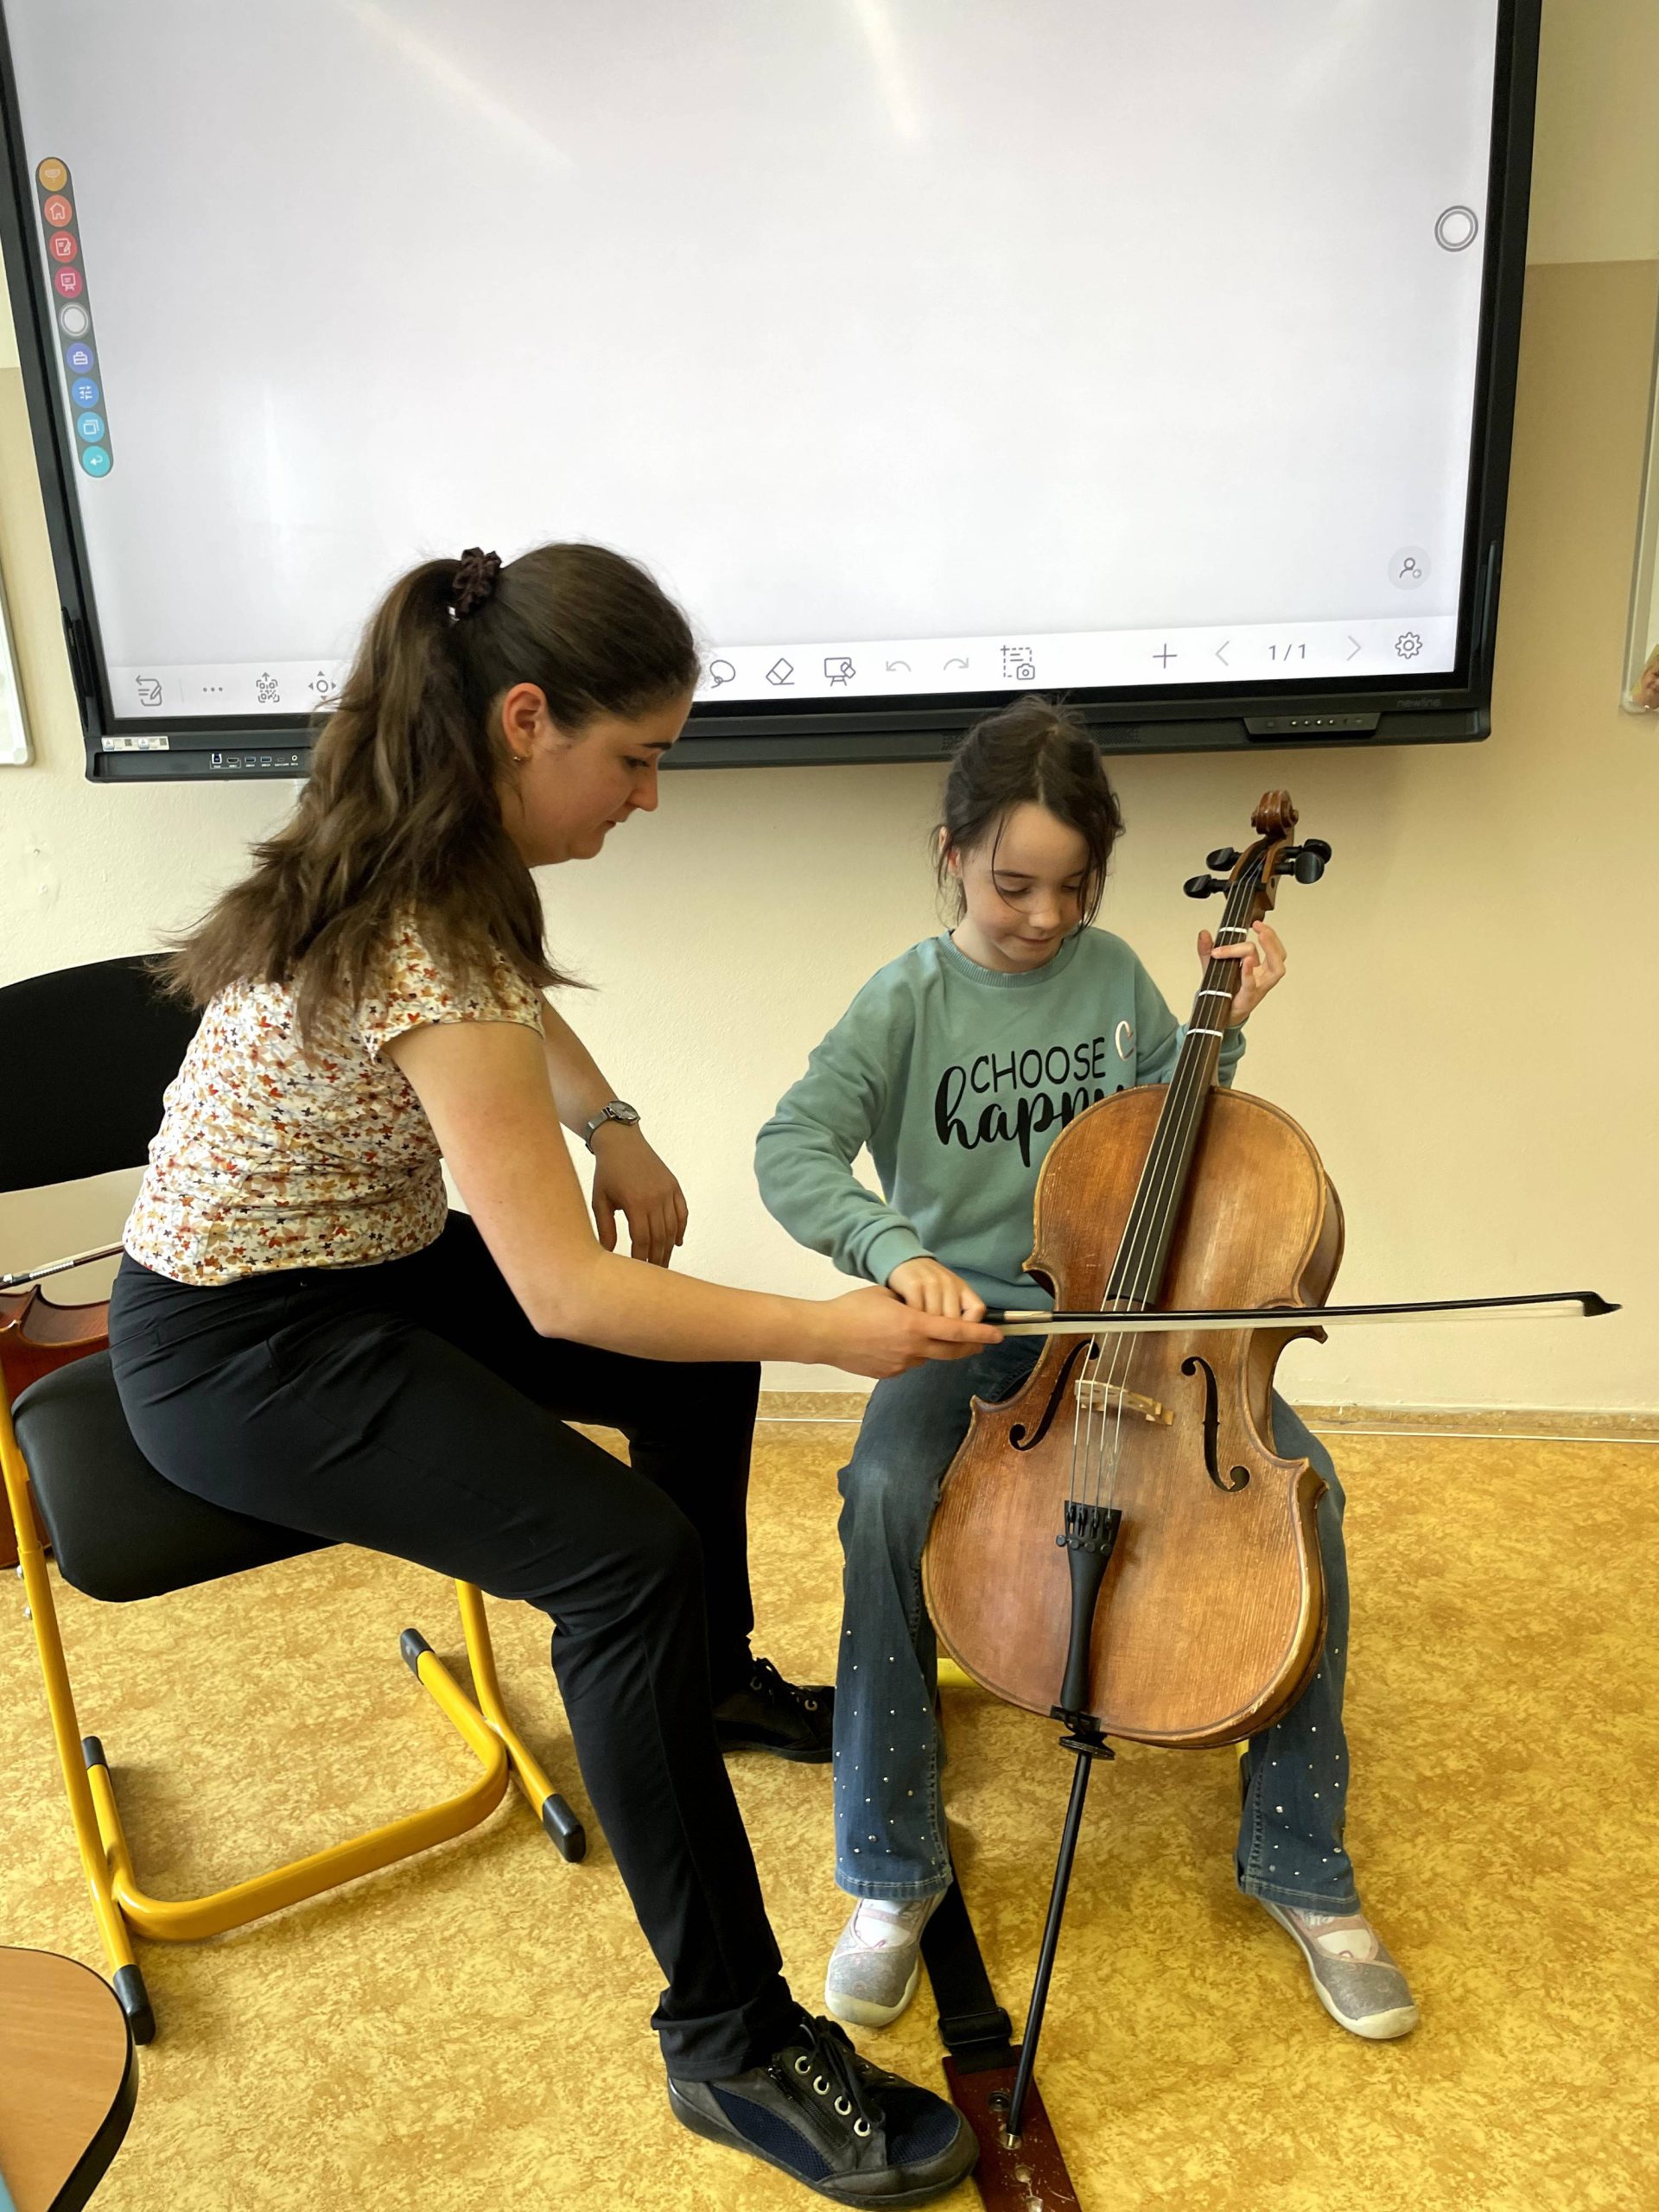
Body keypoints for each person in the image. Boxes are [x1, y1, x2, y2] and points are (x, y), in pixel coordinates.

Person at [107, 542, 988, 2205]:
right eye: (636, 759)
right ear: (527, 721)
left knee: (695, 1380)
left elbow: (506, 1010)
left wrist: (612, 1120)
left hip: (363, 1261)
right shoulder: (423, 923)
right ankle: (729, 2043)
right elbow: (566, 1294)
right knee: (625, 1562)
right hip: (239, 1346)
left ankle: (704, 1691)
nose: (650, 796)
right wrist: (840, 1329)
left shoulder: (434, 834)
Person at [755, 696, 1418, 2046]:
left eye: (1074, 887)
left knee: (1308, 1496)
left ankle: (1301, 1858)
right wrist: (896, 1254)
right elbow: (793, 1147)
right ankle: (889, 1864)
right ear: (952, 854)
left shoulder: (1113, 975)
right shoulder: (906, 999)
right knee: (884, 1495)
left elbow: (1177, 1137)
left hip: (1146, 1335)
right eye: (1014, 885)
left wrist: (1226, 1023)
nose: (1046, 916)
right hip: (977, 1337)